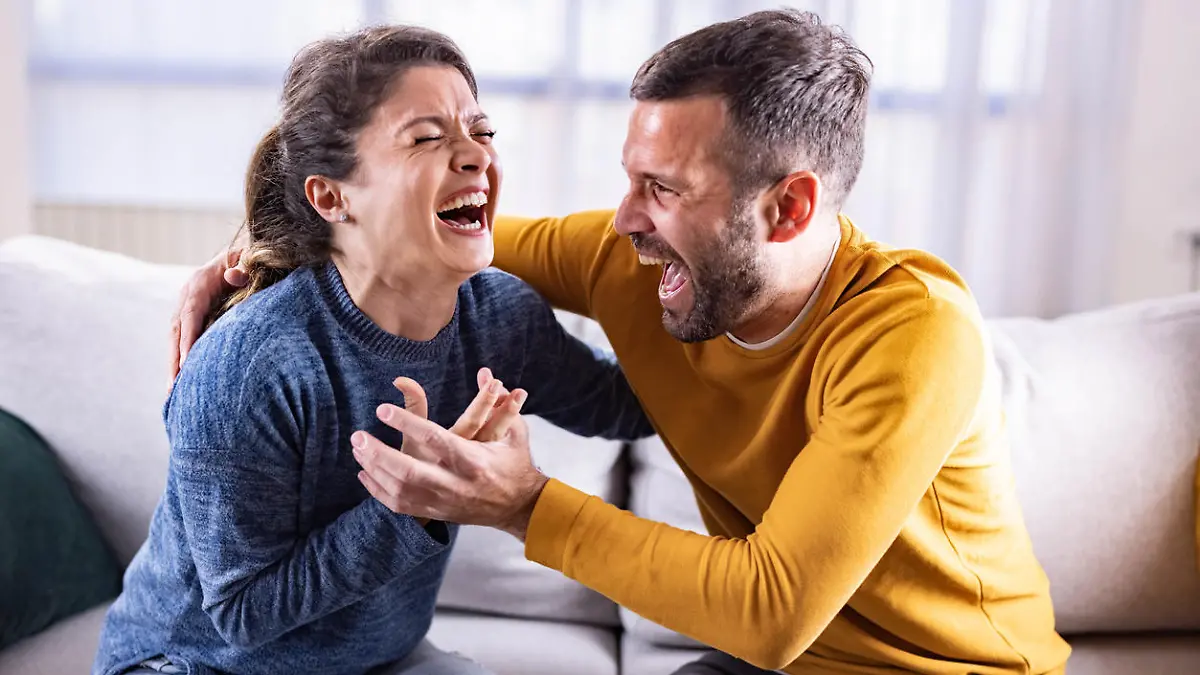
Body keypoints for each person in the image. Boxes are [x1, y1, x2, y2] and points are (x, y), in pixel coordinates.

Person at [174, 10, 1072, 675]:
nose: (624, 220)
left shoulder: (913, 333)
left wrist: (523, 505)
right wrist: (258, 256)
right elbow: (412, 235)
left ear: (790, 206)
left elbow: (770, 610)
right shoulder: (635, 258)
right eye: (629, 179)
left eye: (664, 189)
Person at [98, 25, 651, 675]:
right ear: (331, 196)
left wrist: (712, 285)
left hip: (379, 660)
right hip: (198, 663)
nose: (475, 155)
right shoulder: (252, 366)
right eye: (426, 138)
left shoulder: (500, 317)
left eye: (482, 131)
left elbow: (633, 407)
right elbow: (242, 612)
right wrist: (413, 505)